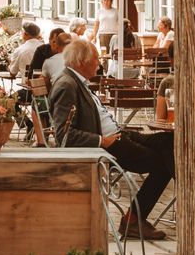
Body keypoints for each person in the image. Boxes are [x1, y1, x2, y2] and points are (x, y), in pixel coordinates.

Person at [48, 38, 174, 239]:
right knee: (162, 164)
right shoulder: (67, 85)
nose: (99, 63)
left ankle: (136, 219)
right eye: (96, 59)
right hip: (108, 143)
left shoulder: (77, 82)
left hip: (118, 134)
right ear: (82, 62)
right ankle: (133, 220)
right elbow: (64, 135)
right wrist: (101, 141)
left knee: (169, 141)